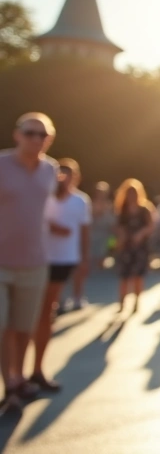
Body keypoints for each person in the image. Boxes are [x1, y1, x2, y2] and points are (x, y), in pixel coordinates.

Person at [0, 113, 58, 414]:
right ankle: (8, 383)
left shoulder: (51, 169)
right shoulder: (2, 165)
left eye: (42, 135)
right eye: (30, 133)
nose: (36, 139)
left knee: (24, 326)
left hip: (35, 260)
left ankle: (19, 376)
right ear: (17, 135)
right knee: (2, 324)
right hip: (1, 261)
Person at [30, 158, 91, 393]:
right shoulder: (44, 196)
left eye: (68, 175)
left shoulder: (80, 201)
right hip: (36, 258)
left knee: (45, 310)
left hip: (63, 259)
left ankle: (37, 368)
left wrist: (84, 259)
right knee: (29, 314)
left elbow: (84, 230)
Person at [69, 181, 115, 312]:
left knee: (96, 264)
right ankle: (77, 295)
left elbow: (112, 225)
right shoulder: (88, 203)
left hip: (103, 239)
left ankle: (81, 294)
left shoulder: (110, 206)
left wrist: (112, 245)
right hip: (89, 237)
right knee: (82, 267)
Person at [114, 178, 155, 314]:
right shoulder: (123, 210)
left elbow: (150, 226)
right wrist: (121, 237)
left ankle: (136, 301)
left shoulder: (144, 209)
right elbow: (118, 227)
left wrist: (141, 234)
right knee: (124, 276)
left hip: (140, 247)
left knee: (138, 276)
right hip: (126, 246)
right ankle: (122, 302)